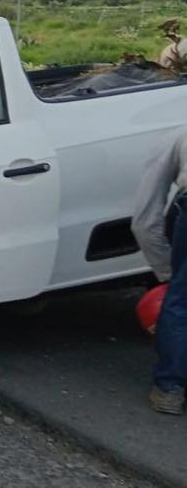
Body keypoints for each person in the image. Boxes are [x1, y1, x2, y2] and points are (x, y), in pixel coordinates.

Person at [132, 126, 187, 415]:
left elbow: (144, 220)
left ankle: (170, 389)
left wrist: (167, 274)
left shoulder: (176, 136)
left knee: (180, 304)